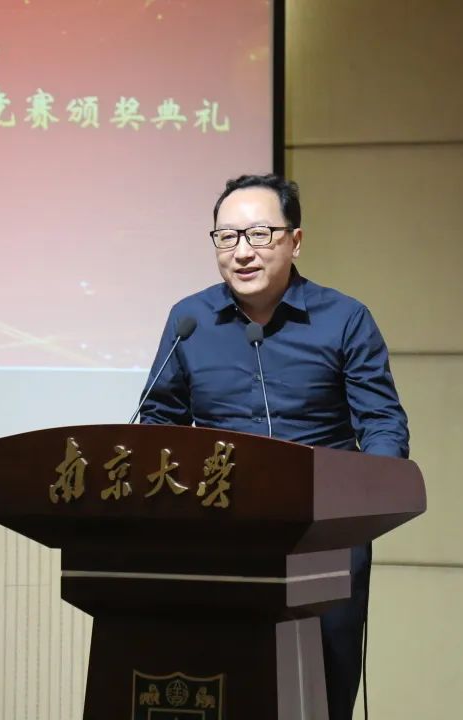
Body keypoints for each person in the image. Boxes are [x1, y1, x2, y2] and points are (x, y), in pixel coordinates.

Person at [137, 173, 409, 720]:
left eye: (259, 235)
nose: (242, 252)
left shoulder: (345, 319)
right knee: (223, 690)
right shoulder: (189, 320)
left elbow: (383, 425)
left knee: (320, 694)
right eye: (226, 237)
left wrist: (364, 499)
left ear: (295, 241)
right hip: (219, 536)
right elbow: (160, 419)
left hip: (325, 537)